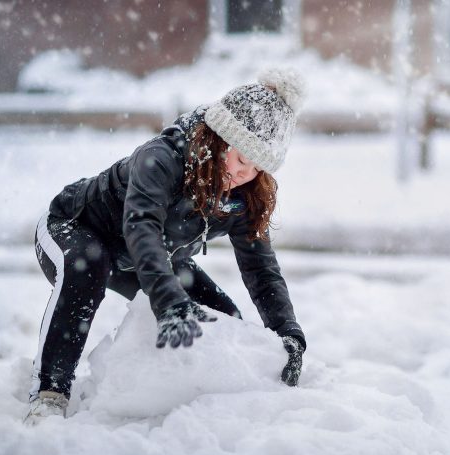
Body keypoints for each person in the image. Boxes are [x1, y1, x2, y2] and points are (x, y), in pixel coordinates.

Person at [25, 69, 307, 424]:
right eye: (240, 159)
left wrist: (288, 333)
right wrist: (167, 299)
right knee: (89, 266)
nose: (241, 174)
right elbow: (142, 227)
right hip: (73, 227)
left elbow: (261, 269)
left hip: (146, 256)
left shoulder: (244, 195)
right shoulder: (163, 158)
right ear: (220, 138)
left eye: (255, 168)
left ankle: (179, 397)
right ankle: (49, 393)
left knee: (220, 317)